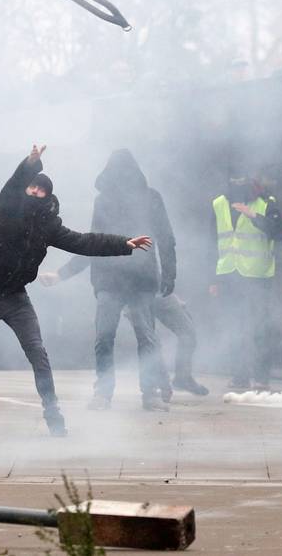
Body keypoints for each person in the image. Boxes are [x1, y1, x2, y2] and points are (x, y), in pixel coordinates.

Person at [0, 145, 151, 436]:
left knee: (38, 353)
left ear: (48, 196)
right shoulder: (7, 207)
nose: (35, 192)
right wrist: (30, 164)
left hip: (16, 298)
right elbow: (12, 186)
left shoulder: (49, 226)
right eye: (32, 187)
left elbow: (85, 242)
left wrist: (124, 244)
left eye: (41, 190)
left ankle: (53, 413)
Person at [39, 149, 191, 412]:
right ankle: (105, 393)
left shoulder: (151, 199)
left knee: (144, 337)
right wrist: (61, 274)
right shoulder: (104, 202)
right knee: (108, 336)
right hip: (110, 280)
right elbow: (93, 241)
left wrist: (169, 274)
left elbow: (165, 238)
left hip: (141, 281)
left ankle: (148, 393)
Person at [209, 170, 282, 391]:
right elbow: (211, 242)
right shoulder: (219, 204)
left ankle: (261, 377)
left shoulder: (266, 203)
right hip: (229, 274)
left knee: (260, 328)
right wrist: (213, 279)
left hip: (258, 276)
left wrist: (253, 216)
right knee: (235, 327)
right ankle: (239, 375)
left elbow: (280, 232)